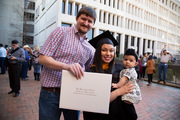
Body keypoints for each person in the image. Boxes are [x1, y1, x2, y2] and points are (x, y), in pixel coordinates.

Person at [38, 6, 97, 120]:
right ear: (76, 18)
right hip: (51, 93)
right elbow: (42, 58)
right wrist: (66, 67)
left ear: (93, 25)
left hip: (74, 94)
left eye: (90, 21)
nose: (86, 23)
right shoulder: (60, 32)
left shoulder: (90, 49)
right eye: (83, 19)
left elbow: (89, 69)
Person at [83, 31, 137, 120]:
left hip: (119, 114)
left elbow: (131, 89)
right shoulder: (90, 72)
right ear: (98, 52)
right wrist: (119, 91)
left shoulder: (121, 70)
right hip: (98, 116)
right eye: (104, 50)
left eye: (111, 50)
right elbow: (94, 102)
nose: (108, 54)